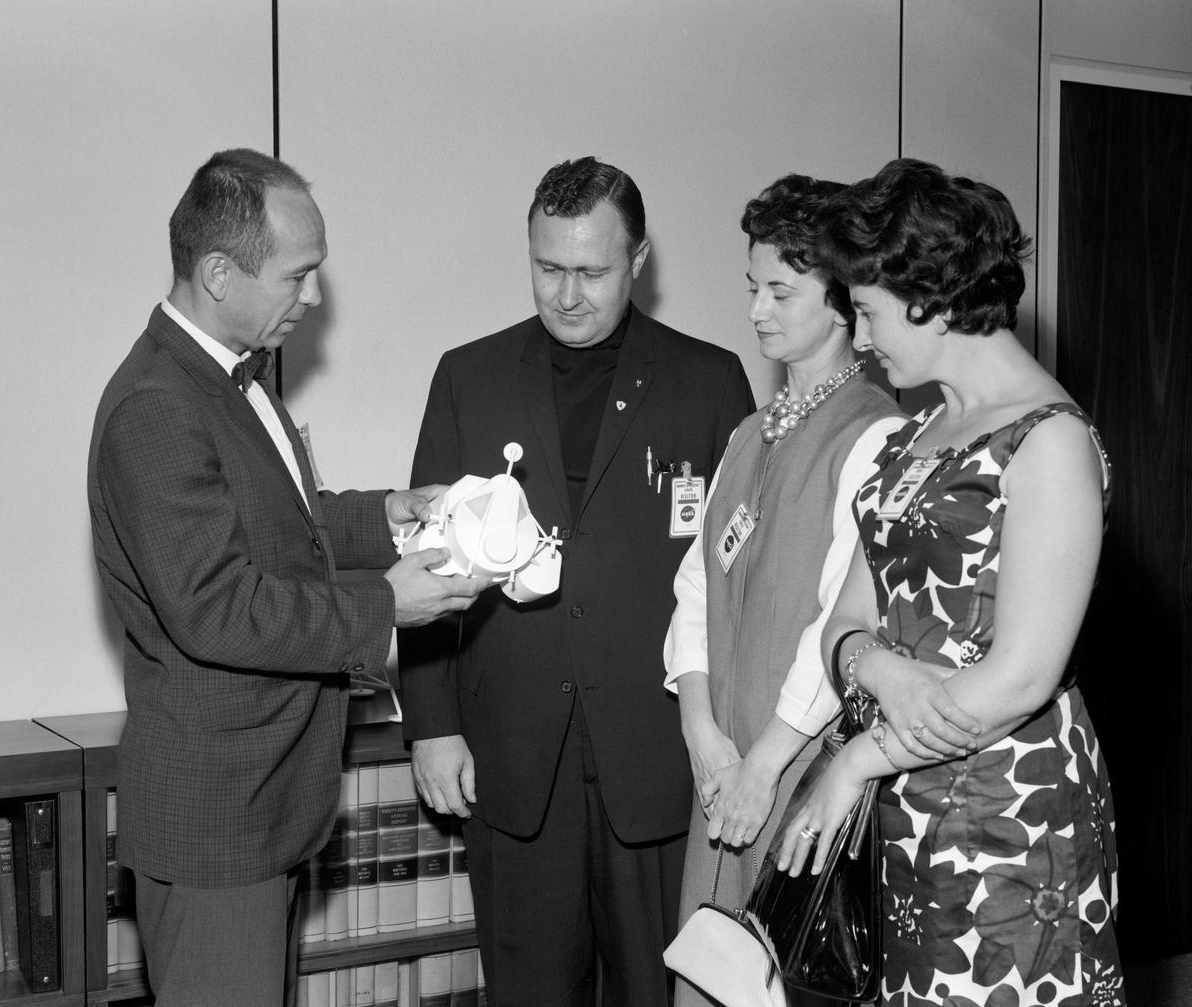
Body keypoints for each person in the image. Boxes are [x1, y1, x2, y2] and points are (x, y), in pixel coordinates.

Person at [87, 148, 488, 1007]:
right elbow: (218, 607)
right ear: (219, 274)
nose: (314, 298)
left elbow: (284, 524)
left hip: (263, 807)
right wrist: (387, 604)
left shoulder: (234, 373)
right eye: (298, 276)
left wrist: (391, 514)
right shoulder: (156, 406)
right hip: (216, 823)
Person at [399, 156, 754, 1006]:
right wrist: (432, 726)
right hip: (513, 755)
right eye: (548, 268)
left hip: (660, 755)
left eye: (591, 271)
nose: (566, 294)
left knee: (657, 991)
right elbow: (427, 564)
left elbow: (740, 580)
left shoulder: (710, 382)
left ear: (638, 261)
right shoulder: (468, 377)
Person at [777, 158, 1124, 1006]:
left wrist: (856, 762)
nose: (861, 337)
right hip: (903, 796)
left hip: (1009, 808)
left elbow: (1022, 678)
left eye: (868, 310)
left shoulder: (1049, 440)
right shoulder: (915, 433)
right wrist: (878, 668)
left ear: (927, 296)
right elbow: (844, 618)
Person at [661, 174, 906, 1006]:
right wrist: (700, 730)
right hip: (725, 764)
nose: (757, 311)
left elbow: (844, 618)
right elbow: (698, 584)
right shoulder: (747, 432)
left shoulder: (875, 433)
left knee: (775, 979)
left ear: (841, 303)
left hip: (796, 768)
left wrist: (762, 764)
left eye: (780, 291)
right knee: (707, 969)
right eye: (751, 287)